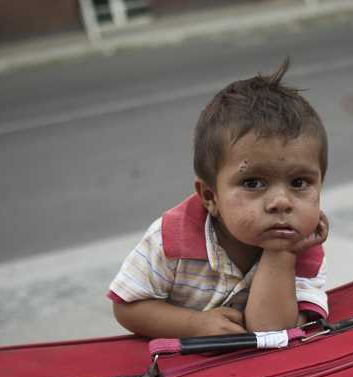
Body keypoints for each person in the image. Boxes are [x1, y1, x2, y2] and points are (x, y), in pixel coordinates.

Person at [108, 57, 329, 339]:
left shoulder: (304, 249)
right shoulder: (170, 238)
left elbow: (271, 331)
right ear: (210, 197)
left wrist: (282, 253)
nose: (280, 202)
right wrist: (194, 325)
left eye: (299, 182)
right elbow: (127, 305)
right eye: (252, 182)